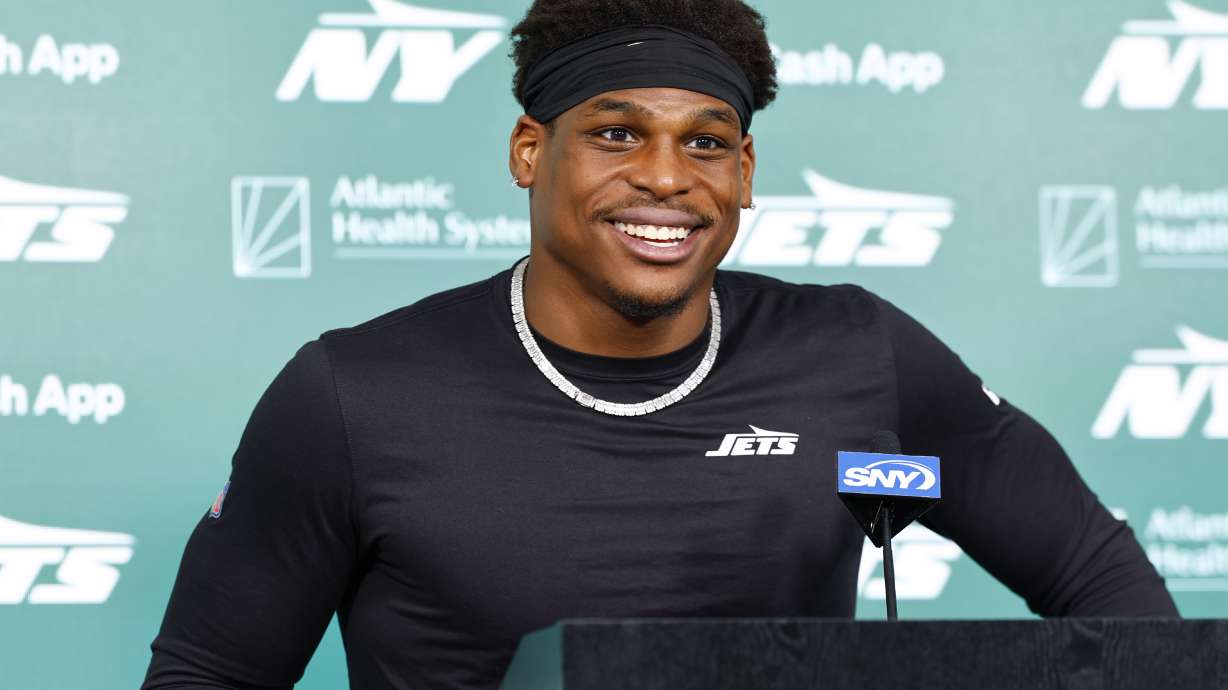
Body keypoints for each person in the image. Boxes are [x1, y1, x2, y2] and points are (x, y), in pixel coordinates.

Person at [141, 1, 1177, 688]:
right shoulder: (352, 394)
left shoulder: (860, 353)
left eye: (707, 143)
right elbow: (206, 678)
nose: (668, 180)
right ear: (529, 152)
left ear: (744, 172)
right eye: (617, 133)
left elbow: (1098, 578)